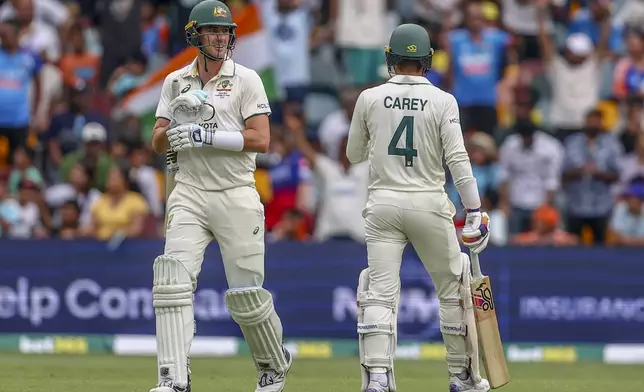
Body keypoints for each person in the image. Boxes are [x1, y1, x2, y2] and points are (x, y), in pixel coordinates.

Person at [149, 1, 291, 392]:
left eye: (225, 31)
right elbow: (158, 140)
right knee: (171, 282)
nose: (220, 37)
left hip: (235, 192)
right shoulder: (176, 81)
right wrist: (175, 127)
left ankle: (273, 364)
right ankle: (173, 379)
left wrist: (208, 136)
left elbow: (261, 140)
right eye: (212, 31)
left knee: (246, 296)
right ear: (195, 35)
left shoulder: (247, 79)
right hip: (189, 192)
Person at [346, 24, 492, 392]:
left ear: (390, 59)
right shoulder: (444, 100)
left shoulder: (370, 97)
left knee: (379, 292)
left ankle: (377, 378)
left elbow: (353, 154)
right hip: (428, 202)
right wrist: (473, 210)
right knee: (453, 289)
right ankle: (460, 377)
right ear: (427, 60)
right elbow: (457, 158)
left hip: (382, 205)